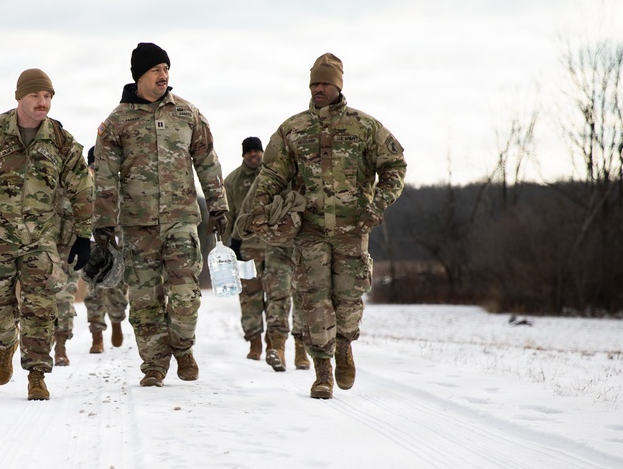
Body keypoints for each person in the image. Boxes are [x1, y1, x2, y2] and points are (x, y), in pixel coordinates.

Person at [249, 53, 406, 399]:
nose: (318, 89)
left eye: (325, 83)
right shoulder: (293, 129)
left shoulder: (365, 127)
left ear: (338, 86)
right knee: (314, 300)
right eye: (314, 83)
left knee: (348, 300)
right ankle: (322, 372)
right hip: (309, 230)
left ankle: (344, 346)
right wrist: (260, 208)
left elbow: (395, 166)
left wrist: (377, 204)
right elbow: (272, 174)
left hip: (353, 229)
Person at [0, 68, 94, 401]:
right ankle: (5, 343)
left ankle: (37, 375)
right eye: (36, 96)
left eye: (48, 97)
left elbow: (83, 188)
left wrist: (84, 235)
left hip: (40, 239)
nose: (43, 103)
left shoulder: (60, 141)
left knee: (40, 308)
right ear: (20, 97)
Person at [93, 42, 229, 387]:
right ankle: (154, 364)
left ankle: (182, 347)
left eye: (166, 68)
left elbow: (208, 162)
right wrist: (104, 225)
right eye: (156, 69)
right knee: (143, 299)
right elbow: (105, 178)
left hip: (182, 219)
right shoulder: (116, 122)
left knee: (185, 294)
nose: (164, 75)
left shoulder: (187, 114)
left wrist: (219, 206)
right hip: (137, 225)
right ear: (139, 75)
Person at [224, 136, 310, 372]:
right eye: (249, 152)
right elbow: (228, 215)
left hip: (278, 245)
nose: (254, 155)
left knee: (280, 293)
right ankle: (254, 342)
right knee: (250, 296)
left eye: (257, 151)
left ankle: (277, 343)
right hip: (247, 247)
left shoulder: (277, 175)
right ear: (243, 155)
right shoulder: (232, 181)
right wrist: (230, 245)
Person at [82, 146, 129, 353]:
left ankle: (117, 322)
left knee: (117, 288)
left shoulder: (117, 183)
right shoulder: (82, 183)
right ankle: (96, 335)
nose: (96, 169)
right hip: (91, 241)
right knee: (93, 289)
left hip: (116, 241)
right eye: (93, 165)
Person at [52, 187, 81, 366]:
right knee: (39, 297)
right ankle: (40, 343)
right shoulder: (40, 170)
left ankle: (60, 346)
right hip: (40, 246)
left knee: (64, 296)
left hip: (70, 247)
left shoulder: (77, 175)